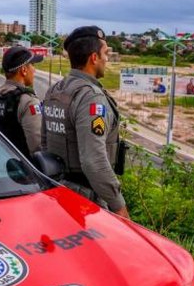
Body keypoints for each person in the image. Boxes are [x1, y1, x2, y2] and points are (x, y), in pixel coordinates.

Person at [42, 26, 129, 219]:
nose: (107, 59)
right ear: (94, 58)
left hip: (58, 191)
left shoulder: (55, 90)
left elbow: (44, 144)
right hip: (87, 202)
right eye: (105, 53)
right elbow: (94, 161)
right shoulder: (90, 97)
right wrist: (119, 207)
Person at [0, 46, 44, 158]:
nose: (34, 70)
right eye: (33, 65)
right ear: (24, 70)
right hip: (17, 166)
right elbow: (37, 148)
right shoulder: (28, 101)